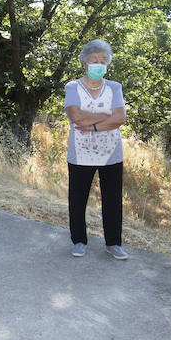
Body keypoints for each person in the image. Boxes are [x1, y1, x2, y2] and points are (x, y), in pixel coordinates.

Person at [64, 38, 129, 260]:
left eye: (103, 60)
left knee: (112, 200)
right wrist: (106, 115)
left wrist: (91, 125)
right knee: (77, 199)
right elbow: (76, 115)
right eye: (94, 60)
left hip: (111, 154)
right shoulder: (72, 87)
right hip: (80, 153)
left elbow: (120, 118)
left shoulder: (114, 87)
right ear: (84, 64)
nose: (98, 64)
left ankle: (113, 243)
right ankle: (79, 241)